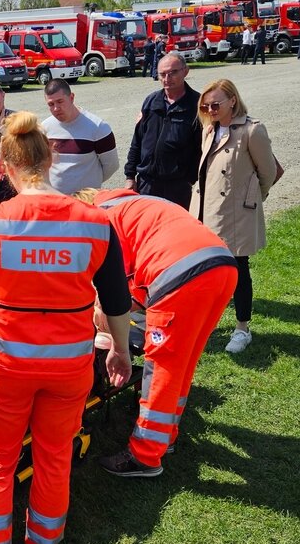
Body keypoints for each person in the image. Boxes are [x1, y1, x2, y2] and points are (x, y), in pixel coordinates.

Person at [0, 111, 132, 544]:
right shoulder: (96, 223)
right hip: (68, 366)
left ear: (7, 164)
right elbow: (116, 299)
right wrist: (120, 349)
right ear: (50, 158)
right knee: (54, 459)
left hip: (6, 366)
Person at [75, 187, 238, 477]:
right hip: (221, 266)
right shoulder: (134, 202)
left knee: (160, 366)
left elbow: (117, 293)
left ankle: (145, 456)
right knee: (182, 362)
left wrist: (110, 332)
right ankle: (166, 437)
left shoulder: (103, 218)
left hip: (179, 274)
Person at [191, 79, 278, 354]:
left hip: (236, 213)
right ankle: (208, 323)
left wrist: (251, 198)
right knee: (208, 271)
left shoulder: (252, 130)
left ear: (232, 101)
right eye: (205, 105)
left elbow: (269, 172)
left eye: (215, 104)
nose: (210, 109)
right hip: (206, 211)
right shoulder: (209, 128)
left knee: (239, 270)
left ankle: (242, 328)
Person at [124, 52, 201, 209]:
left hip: (177, 187)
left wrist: (190, 178)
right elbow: (137, 142)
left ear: (186, 71)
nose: (167, 79)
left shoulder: (197, 105)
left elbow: (200, 148)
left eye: (173, 73)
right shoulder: (151, 101)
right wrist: (130, 176)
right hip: (146, 184)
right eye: (162, 74)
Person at [41, 79, 118, 195]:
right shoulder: (44, 128)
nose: (56, 108)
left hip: (87, 202)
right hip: (56, 201)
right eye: (51, 104)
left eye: (60, 101)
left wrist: (91, 185)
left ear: (71, 98)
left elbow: (111, 165)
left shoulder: (98, 127)